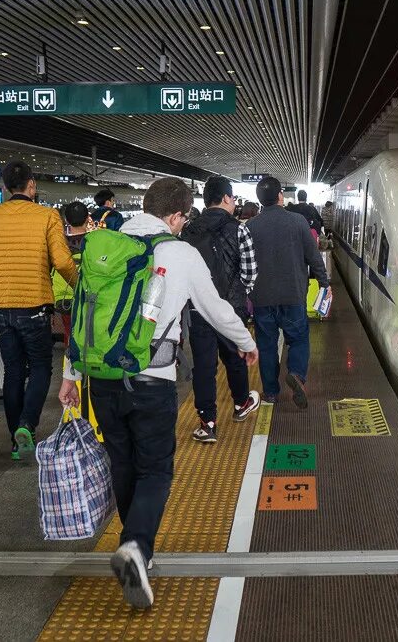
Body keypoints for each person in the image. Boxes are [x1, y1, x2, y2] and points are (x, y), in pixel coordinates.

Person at [58, 177, 258, 609]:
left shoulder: (103, 245)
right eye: (184, 218)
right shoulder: (179, 252)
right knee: (156, 471)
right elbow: (215, 308)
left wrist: (70, 374)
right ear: (176, 215)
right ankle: (135, 546)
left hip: (102, 377)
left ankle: (136, 547)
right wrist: (246, 343)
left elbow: (83, 311)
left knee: (124, 464)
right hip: (153, 379)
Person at [0, 161, 78, 460]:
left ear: (4, 188)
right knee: (40, 367)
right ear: (32, 186)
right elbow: (64, 263)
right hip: (34, 305)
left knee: (14, 369)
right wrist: (80, 287)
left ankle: (17, 442)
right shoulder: (47, 216)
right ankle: (27, 424)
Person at [180, 176, 261, 443]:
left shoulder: (189, 230)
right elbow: (250, 273)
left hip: (198, 310)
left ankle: (208, 423)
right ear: (226, 198)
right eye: (233, 197)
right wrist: (238, 294)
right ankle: (240, 405)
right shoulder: (240, 229)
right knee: (236, 357)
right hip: (231, 308)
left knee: (204, 366)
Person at [247, 177, 330, 407]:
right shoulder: (298, 221)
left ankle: (271, 393)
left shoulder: (250, 226)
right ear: (280, 195)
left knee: (266, 345)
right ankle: (296, 374)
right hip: (293, 294)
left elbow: (244, 264)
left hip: (262, 297)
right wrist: (324, 283)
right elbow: (313, 257)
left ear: (259, 200)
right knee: (299, 339)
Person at [53, 201, 89, 346]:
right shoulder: (94, 243)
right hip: (88, 296)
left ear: (66, 220)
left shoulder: (60, 244)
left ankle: (69, 360)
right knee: (87, 332)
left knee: (69, 331)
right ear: (87, 219)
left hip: (64, 297)